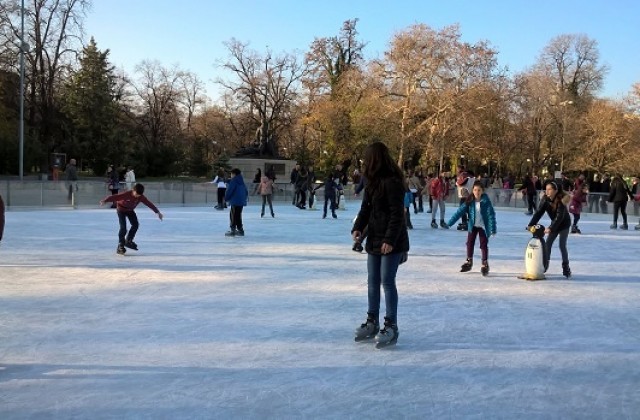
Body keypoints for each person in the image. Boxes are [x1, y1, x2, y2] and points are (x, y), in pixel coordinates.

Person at [351, 141, 409, 348]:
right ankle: (372, 321)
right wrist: (358, 227)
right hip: (375, 237)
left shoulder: (393, 182)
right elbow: (365, 208)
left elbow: (397, 215)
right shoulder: (372, 182)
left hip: (391, 240)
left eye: (367, 159)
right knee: (372, 281)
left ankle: (391, 325)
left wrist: (389, 240)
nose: (365, 163)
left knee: (387, 281)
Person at [447, 180, 497, 275]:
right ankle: (469, 260)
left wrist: (492, 229)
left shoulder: (486, 201)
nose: (477, 192)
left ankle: (484, 263)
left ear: (482, 191)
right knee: (469, 243)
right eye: (475, 190)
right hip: (472, 225)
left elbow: (491, 215)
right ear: (472, 191)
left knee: (483, 244)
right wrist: (450, 222)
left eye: (479, 190)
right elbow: (459, 212)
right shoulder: (469, 200)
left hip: (482, 226)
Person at [99, 183, 163, 255]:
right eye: (136, 194)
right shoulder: (127, 194)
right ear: (133, 190)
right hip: (121, 210)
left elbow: (149, 203)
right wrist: (105, 200)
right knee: (123, 228)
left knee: (135, 225)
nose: (137, 196)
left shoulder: (141, 197)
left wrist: (157, 212)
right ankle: (121, 245)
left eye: (139, 195)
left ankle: (129, 240)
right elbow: (115, 197)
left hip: (130, 211)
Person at [527, 181, 572, 278]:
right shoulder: (545, 200)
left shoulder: (561, 200)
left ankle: (566, 267)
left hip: (564, 224)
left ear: (555, 190)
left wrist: (551, 228)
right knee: (547, 244)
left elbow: (560, 216)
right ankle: (545, 265)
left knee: (562, 245)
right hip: (555, 224)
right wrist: (531, 225)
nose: (547, 191)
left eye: (549, 189)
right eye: (546, 189)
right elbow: (539, 212)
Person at [225, 168, 248, 237]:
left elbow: (230, 190)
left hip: (235, 200)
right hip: (241, 201)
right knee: (238, 215)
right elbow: (246, 191)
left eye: (231, 174)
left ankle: (233, 230)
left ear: (234, 174)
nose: (231, 175)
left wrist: (226, 198)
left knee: (233, 215)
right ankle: (240, 230)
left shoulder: (234, 181)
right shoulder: (241, 181)